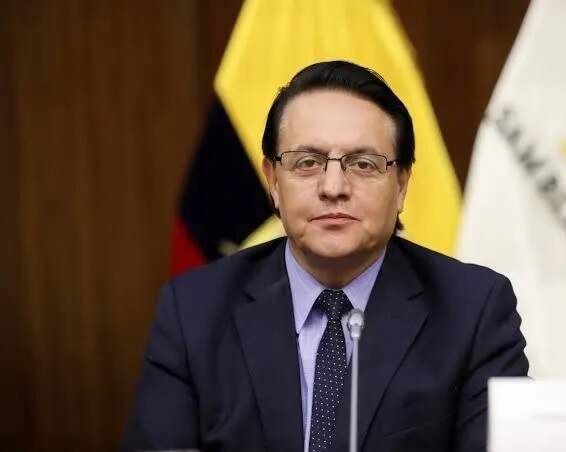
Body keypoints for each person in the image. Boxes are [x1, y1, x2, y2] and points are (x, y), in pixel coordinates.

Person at [123, 60, 529, 452]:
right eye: (308, 163)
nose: (333, 187)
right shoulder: (194, 310)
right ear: (273, 181)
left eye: (363, 164)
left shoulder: (473, 311)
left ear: (402, 185)